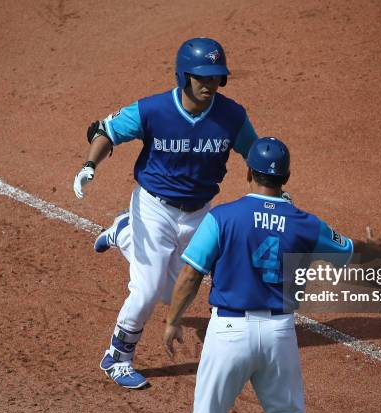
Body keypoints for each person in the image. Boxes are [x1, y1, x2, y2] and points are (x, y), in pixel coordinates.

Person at [163, 137, 381, 413]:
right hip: (279, 335)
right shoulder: (305, 224)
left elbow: (190, 275)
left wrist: (173, 320)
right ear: (286, 178)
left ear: (248, 172)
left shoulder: (221, 217)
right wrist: (373, 248)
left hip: (229, 331)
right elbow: (349, 250)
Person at [72, 38, 260, 389]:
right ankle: (117, 357)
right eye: (201, 77)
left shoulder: (232, 116)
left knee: (171, 295)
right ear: (183, 76)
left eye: (216, 77)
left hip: (199, 213)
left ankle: (123, 232)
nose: (209, 85)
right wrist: (89, 164)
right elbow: (106, 131)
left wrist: (273, 189)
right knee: (146, 289)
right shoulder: (154, 110)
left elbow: (255, 154)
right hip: (154, 206)